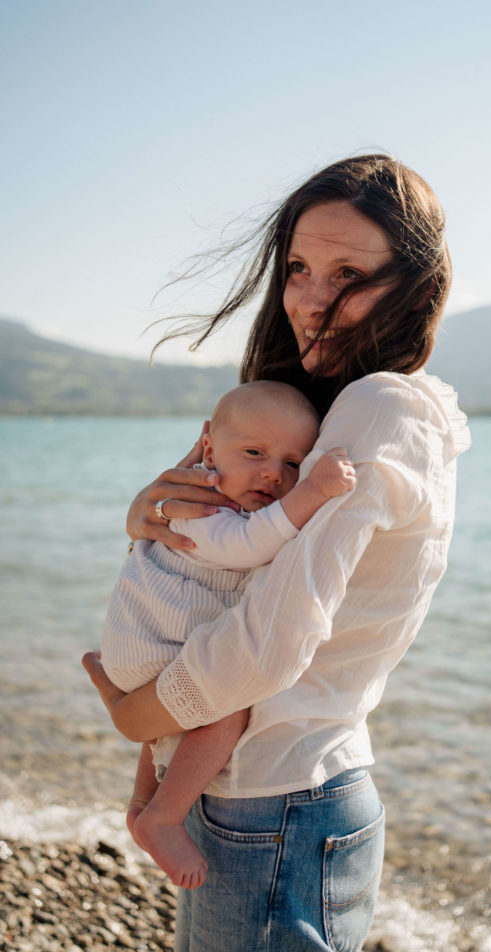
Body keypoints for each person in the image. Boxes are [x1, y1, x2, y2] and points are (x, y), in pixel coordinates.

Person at [83, 153, 471, 952]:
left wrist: (134, 717)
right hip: (268, 798)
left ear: (416, 286)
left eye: (347, 273)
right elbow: (225, 572)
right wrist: (145, 518)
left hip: (283, 803)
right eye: (297, 267)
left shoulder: (379, 407)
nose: (311, 299)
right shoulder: (328, 411)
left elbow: (269, 642)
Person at [101, 381, 356, 889]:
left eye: (292, 464)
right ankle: (164, 817)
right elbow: (249, 547)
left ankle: (141, 803)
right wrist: (313, 490)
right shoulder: (202, 506)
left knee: (175, 721)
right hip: (155, 647)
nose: (272, 472)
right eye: (255, 452)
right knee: (226, 706)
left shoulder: (195, 498)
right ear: (209, 447)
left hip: (150, 644)